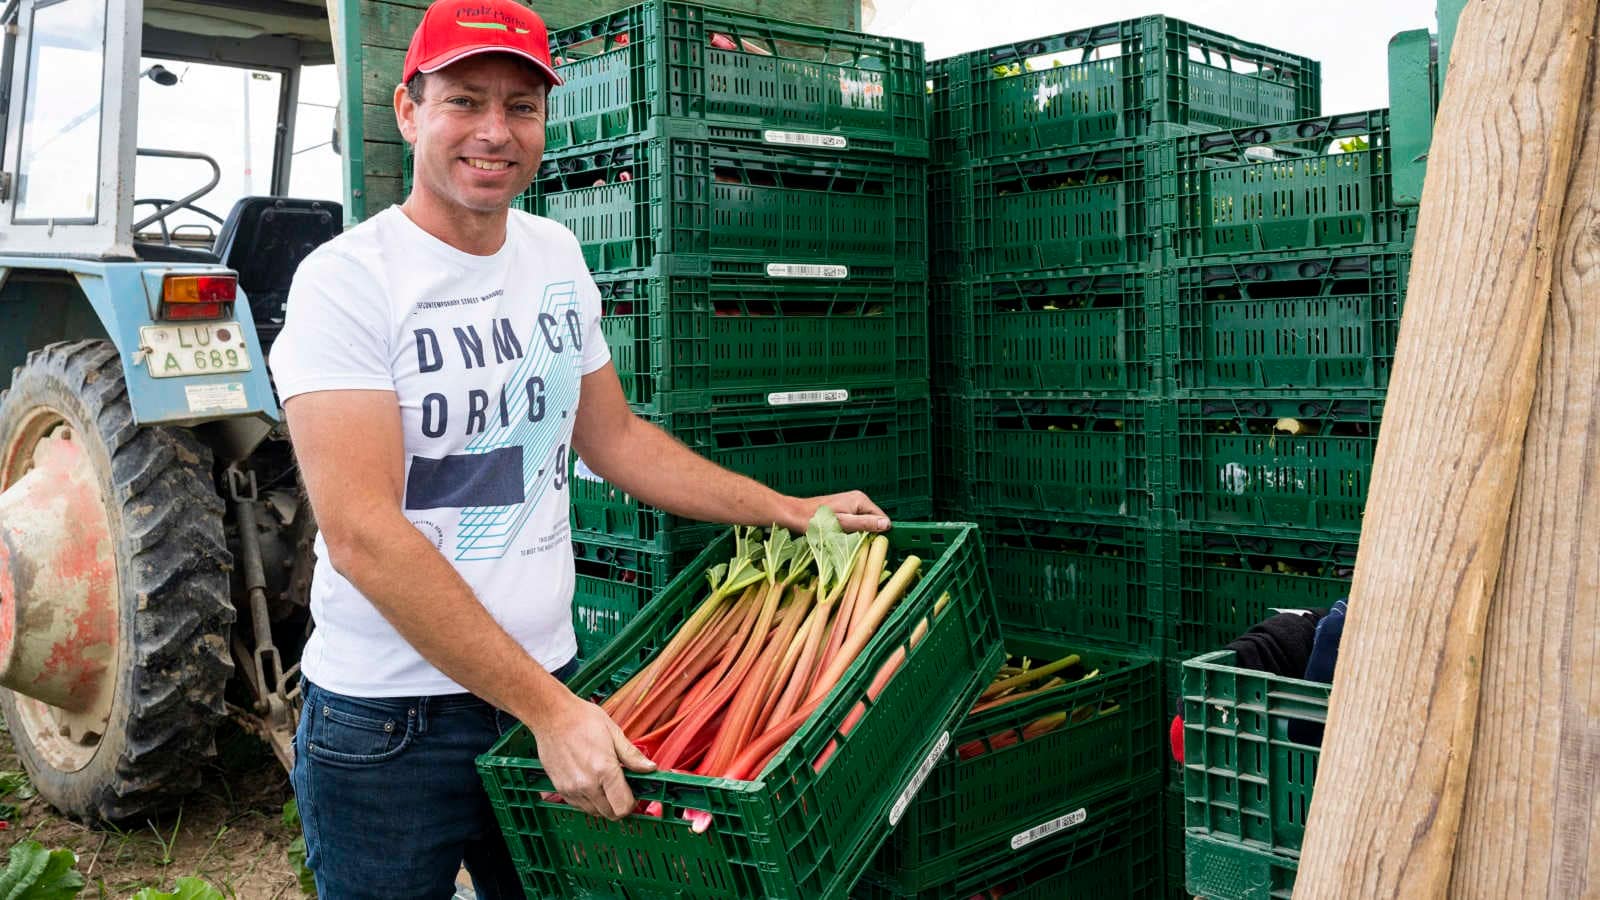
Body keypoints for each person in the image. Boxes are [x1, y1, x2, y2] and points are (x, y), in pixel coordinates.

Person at [266, 1, 889, 896]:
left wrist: (790, 510)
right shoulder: (347, 283)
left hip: (544, 689)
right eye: (465, 100)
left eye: (521, 106)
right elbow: (363, 532)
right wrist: (551, 710)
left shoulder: (555, 255)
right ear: (408, 111)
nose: (495, 131)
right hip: (392, 725)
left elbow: (617, 440)